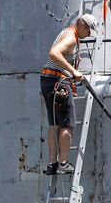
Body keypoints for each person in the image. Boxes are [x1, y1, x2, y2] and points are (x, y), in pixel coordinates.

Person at [41, 13, 99, 175]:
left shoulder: (67, 32)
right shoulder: (72, 38)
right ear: (81, 25)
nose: (88, 34)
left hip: (48, 80)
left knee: (55, 124)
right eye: (88, 30)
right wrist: (73, 70)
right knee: (67, 124)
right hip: (58, 82)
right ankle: (64, 163)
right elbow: (54, 53)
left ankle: (52, 164)